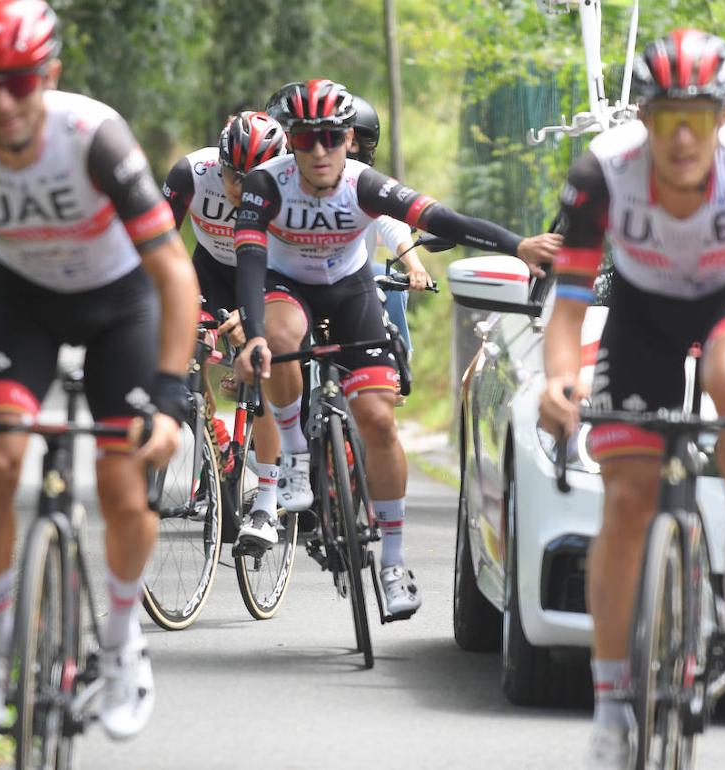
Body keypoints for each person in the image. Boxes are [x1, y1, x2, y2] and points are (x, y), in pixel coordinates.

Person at [0, 0, 198, 740]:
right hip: (24, 302)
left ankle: (126, 645)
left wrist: (168, 397)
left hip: (120, 302)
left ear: (49, 73)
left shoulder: (94, 137)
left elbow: (172, 274)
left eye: (18, 79)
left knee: (123, 483)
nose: (2, 101)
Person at [536, 30, 725, 767]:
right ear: (642, 118)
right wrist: (558, 383)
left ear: (724, 119)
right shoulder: (602, 173)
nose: (682, 136)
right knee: (625, 503)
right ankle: (609, 706)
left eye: (699, 117)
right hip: (643, 314)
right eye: (665, 118)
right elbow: (565, 314)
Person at [233, 79, 561, 619]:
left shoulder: (365, 185)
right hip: (285, 286)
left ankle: (392, 560)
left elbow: (443, 220)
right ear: (289, 140)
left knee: (379, 421)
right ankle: (293, 455)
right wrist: (254, 333)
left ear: (349, 141)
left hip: (350, 286)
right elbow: (248, 264)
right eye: (305, 138)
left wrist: (517, 245)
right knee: (280, 339)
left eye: (332, 138)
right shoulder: (266, 186)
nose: (319, 151)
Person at [162, 111, 291, 549]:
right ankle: (215, 442)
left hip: (270, 275)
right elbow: (157, 242)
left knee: (260, 365)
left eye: (252, 180)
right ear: (218, 163)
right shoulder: (191, 174)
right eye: (233, 177)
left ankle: (268, 501)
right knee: (185, 348)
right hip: (212, 268)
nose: (239, 191)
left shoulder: (293, 186)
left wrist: (252, 317)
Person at [348, 95, 431, 359]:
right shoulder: (294, 182)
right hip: (303, 274)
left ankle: (394, 363)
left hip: (352, 271)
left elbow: (392, 225)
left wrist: (415, 266)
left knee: (391, 282)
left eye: (353, 142)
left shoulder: (369, 184)